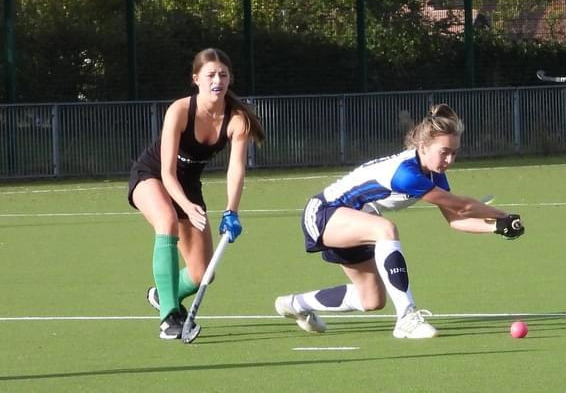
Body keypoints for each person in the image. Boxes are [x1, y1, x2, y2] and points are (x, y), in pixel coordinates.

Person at [273, 104, 524, 339]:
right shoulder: (406, 173)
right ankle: (406, 317)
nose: (449, 160)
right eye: (444, 152)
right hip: (324, 213)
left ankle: (295, 304)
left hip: (356, 222)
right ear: (423, 147)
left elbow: (455, 220)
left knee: (370, 300)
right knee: (386, 229)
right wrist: (503, 215)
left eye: (454, 153)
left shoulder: (435, 174)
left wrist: (496, 227)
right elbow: (463, 206)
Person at [128, 48, 265, 340]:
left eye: (223, 75)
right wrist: (187, 208)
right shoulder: (179, 110)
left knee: (203, 273)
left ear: (230, 79)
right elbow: (166, 172)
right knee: (166, 221)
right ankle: (169, 318)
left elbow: (236, 169)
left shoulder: (237, 119)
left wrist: (232, 210)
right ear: (196, 79)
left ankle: (162, 294)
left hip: (189, 184)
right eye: (211, 74)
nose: (218, 80)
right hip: (151, 175)